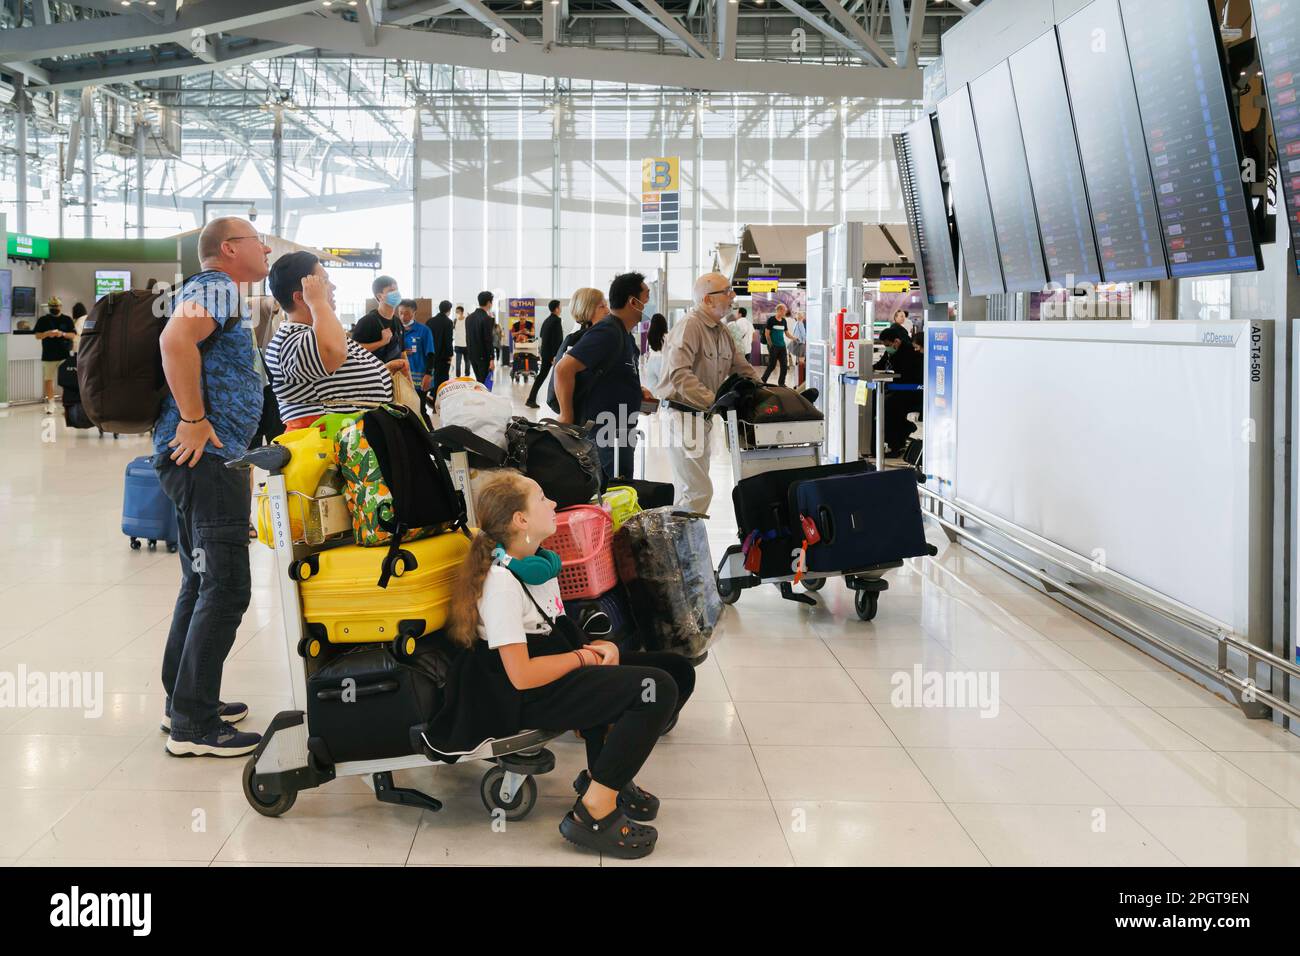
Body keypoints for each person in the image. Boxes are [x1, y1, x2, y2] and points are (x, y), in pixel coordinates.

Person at [435, 472, 695, 859]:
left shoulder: (537, 564)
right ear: (520, 520)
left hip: (554, 666)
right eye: (542, 498)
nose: (553, 503)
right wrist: (585, 658)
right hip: (520, 693)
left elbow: (555, 630)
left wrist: (598, 648)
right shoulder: (502, 583)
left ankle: (603, 773)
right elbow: (520, 675)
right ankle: (594, 809)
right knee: (657, 690)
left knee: (677, 671)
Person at [153, 216, 271, 757]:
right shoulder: (217, 286)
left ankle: (183, 699)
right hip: (208, 457)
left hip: (201, 460)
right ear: (228, 249)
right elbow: (174, 339)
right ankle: (194, 724)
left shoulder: (216, 292)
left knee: (200, 582)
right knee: (225, 587)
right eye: (257, 240)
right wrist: (195, 417)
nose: (266, 247)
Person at [655, 272, 759, 514]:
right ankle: (684, 547)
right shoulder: (690, 326)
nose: (732, 296)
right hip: (684, 417)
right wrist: (715, 402)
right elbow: (678, 374)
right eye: (727, 291)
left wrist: (766, 392)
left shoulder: (722, 333)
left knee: (689, 490)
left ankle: (677, 546)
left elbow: (742, 367)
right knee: (698, 491)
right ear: (707, 299)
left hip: (702, 419)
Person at [264, 251, 399, 430]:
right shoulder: (289, 340)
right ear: (301, 296)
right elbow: (332, 353)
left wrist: (381, 371)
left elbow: (334, 374)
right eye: (324, 282)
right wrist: (318, 303)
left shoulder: (313, 332)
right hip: (329, 448)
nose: (333, 287)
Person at [554, 272, 652, 483]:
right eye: (646, 297)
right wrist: (566, 416)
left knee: (621, 494)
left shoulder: (624, 335)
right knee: (611, 497)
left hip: (620, 431)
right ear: (632, 302)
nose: (648, 303)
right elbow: (563, 369)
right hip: (604, 435)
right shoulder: (607, 331)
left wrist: (637, 392)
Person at [873, 323, 923, 456]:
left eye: (888, 345)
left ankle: (896, 445)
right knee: (878, 402)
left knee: (889, 407)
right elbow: (881, 364)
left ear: (896, 341)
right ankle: (893, 440)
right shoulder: (890, 351)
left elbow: (907, 373)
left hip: (910, 391)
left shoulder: (909, 351)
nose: (887, 348)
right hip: (897, 389)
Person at [34, 296, 75, 413]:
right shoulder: (43, 320)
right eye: (52, 307)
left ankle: (66, 403)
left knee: (67, 380)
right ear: (49, 307)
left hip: (64, 355)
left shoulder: (67, 319)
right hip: (48, 355)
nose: (54, 308)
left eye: (56, 306)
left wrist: (61, 334)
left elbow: (73, 335)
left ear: (60, 307)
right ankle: (51, 403)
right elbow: (37, 336)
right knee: (48, 380)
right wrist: (47, 334)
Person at [352, 275, 405, 364]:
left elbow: (402, 352)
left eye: (397, 290)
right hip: (373, 375)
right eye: (392, 290)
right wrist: (381, 342)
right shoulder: (367, 321)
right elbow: (354, 350)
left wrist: (408, 376)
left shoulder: (398, 322)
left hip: (394, 375)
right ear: (380, 296)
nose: (396, 293)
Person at [526, 298, 564, 409]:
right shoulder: (556, 321)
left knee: (542, 376)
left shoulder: (547, 320)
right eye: (560, 307)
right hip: (551, 355)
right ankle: (532, 399)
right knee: (545, 376)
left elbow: (543, 335)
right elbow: (557, 340)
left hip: (545, 352)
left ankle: (531, 399)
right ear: (556, 309)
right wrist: (554, 356)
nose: (561, 308)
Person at [398, 299, 436, 401]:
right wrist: (401, 352)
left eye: (407, 314)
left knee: (420, 408)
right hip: (401, 377)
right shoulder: (396, 330)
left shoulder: (424, 330)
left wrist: (428, 375)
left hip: (420, 378)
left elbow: (431, 354)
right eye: (400, 313)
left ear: (414, 313)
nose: (403, 317)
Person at [465, 290, 496, 385]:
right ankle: (482, 399)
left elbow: (468, 337)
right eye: (491, 301)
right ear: (488, 303)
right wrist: (491, 358)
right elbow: (488, 340)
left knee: (479, 381)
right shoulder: (486, 318)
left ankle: (480, 398)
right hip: (483, 356)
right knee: (483, 384)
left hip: (472, 355)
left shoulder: (469, 318)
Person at [428, 299, 455, 397]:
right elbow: (448, 340)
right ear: (449, 310)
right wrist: (450, 355)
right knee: (442, 375)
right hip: (443, 355)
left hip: (431, 353)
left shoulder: (430, 321)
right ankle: (440, 394)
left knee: (432, 374)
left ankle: (432, 392)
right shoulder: (448, 322)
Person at [761, 302, 791, 387]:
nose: (785, 312)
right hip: (774, 346)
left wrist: (794, 338)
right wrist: (771, 345)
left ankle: (781, 383)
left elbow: (787, 333)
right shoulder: (771, 320)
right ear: (779, 310)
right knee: (772, 365)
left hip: (782, 346)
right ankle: (763, 380)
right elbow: (767, 334)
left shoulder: (784, 321)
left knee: (784, 366)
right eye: (784, 310)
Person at [643, 313, 668, 390]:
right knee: (664, 387)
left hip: (652, 362)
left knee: (653, 389)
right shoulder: (667, 336)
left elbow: (648, 352)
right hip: (664, 362)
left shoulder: (649, 336)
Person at [789, 310, 807, 386]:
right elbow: (803, 334)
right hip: (800, 344)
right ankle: (801, 380)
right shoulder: (800, 323)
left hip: (796, 343)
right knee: (801, 361)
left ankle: (798, 379)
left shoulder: (796, 323)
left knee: (798, 361)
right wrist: (806, 342)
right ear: (802, 317)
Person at [452, 305, 469, 377]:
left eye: (458, 311)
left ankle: (467, 375)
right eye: (456, 312)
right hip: (458, 345)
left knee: (467, 362)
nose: (456, 313)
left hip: (466, 345)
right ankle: (458, 376)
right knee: (458, 362)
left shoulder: (467, 320)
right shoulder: (455, 320)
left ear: (462, 312)